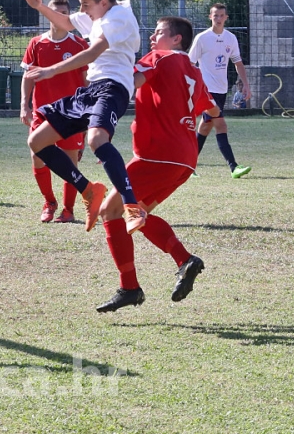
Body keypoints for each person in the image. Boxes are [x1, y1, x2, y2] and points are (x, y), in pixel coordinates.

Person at [91, 17, 220, 312]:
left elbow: (129, 83)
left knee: (110, 211)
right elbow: (213, 110)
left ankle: (130, 287)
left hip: (156, 155)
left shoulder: (159, 58)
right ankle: (184, 261)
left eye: (159, 32)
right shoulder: (194, 71)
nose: (152, 38)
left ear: (176, 39)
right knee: (136, 212)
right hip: (184, 159)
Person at [18, 0, 145, 233]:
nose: (82, 10)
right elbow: (67, 22)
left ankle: (132, 206)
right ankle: (88, 190)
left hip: (113, 88)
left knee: (96, 140)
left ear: (104, 2)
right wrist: (39, 6)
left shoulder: (118, 17)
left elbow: (93, 52)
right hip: (91, 90)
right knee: (37, 141)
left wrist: (50, 70)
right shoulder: (98, 15)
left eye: (85, 4)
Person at [19, 0, 88, 223]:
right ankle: (49, 202)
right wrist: (24, 105)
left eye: (63, 13)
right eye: (55, 12)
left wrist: (87, 114)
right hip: (42, 111)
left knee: (70, 161)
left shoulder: (79, 45)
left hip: (71, 113)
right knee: (37, 156)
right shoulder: (37, 43)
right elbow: (28, 76)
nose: (59, 16)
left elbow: (87, 81)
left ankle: (68, 210)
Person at [188, 3, 252, 179]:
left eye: (221, 15)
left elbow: (238, 63)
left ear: (226, 18)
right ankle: (233, 167)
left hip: (221, 90)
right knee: (221, 125)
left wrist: (246, 85)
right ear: (210, 17)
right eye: (215, 15)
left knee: (205, 128)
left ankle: (187, 166)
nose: (218, 18)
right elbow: (190, 64)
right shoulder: (202, 38)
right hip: (206, 90)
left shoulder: (230, 38)